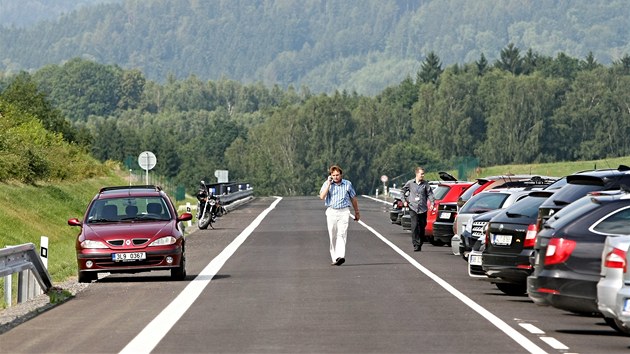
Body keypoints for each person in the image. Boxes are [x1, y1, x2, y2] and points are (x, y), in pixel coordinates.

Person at [319, 164, 360, 266]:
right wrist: (328, 184)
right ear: (331, 176)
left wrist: (357, 212)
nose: (336, 177)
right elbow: (322, 196)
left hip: (344, 211)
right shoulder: (327, 184)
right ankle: (334, 257)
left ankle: (340, 256)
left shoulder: (347, 184)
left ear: (341, 175)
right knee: (332, 235)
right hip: (332, 211)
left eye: (337, 175)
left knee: (341, 234)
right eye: (333, 175)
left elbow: (353, 198)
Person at [402, 166, 435, 252]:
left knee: (422, 226)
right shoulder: (410, 183)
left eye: (423, 174)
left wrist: (432, 203)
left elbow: (430, 194)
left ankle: (420, 242)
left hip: (423, 208)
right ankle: (416, 244)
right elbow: (402, 191)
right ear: (417, 174)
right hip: (413, 207)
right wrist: (404, 201)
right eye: (421, 174)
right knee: (415, 226)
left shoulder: (425, 184)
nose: (423, 175)